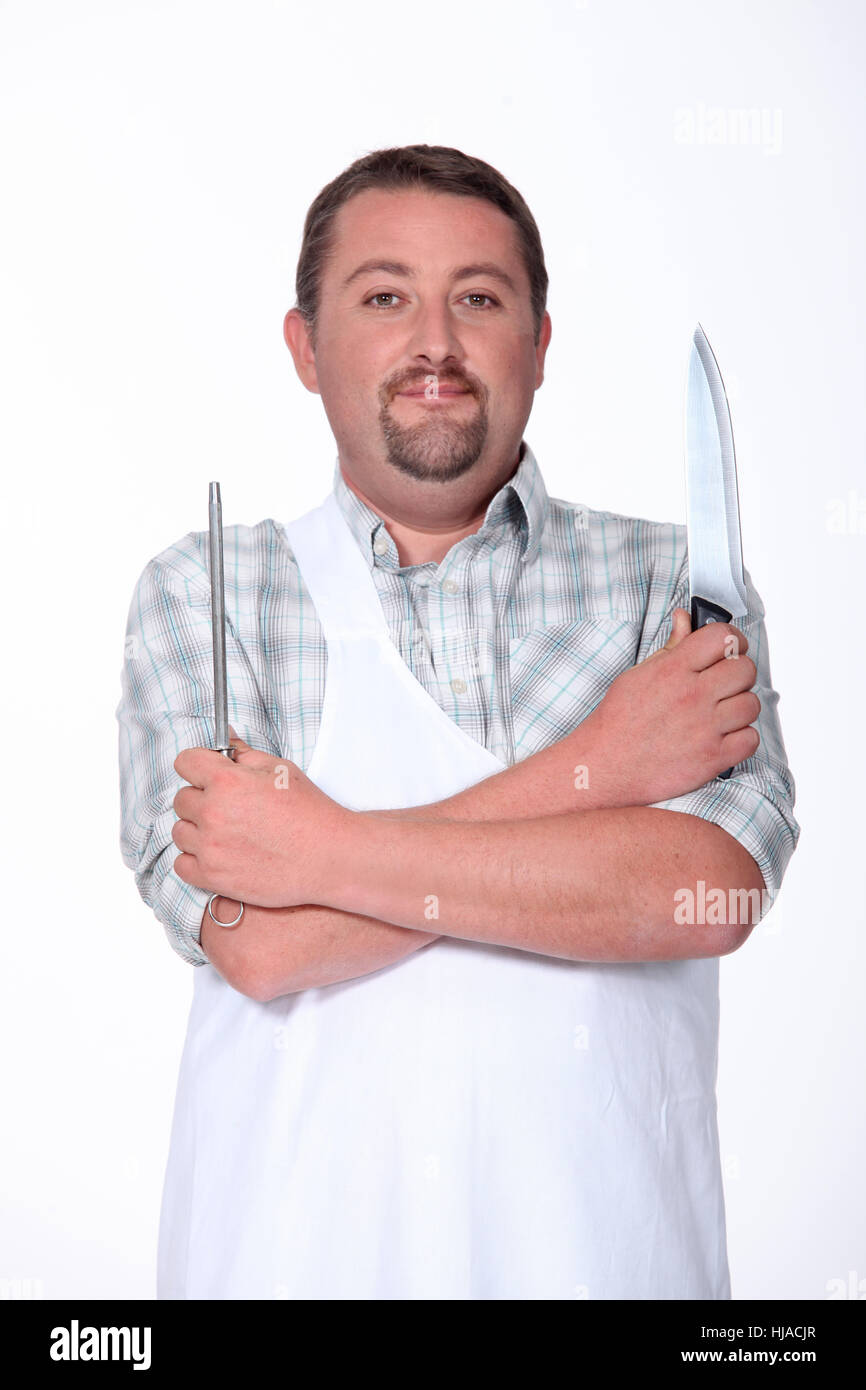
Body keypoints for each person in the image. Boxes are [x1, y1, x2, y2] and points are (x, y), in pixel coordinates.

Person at [116, 144, 800, 1300]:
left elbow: (709, 891)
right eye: (384, 297)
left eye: (477, 299)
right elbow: (262, 945)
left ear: (537, 343)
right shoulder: (208, 590)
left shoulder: (669, 582)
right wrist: (596, 770)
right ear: (304, 345)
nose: (434, 340)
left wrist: (320, 851)